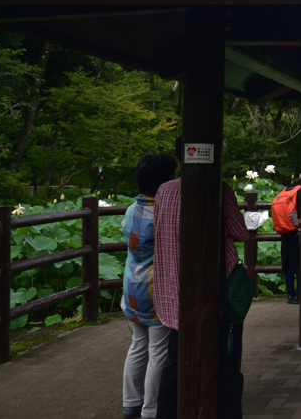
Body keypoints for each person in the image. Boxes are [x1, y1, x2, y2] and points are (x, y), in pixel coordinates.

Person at [153, 139, 249, 419]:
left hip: (174, 293)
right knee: (227, 365)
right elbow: (240, 232)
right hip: (216, 297)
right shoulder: (220, 190)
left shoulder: (164, 191)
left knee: (175, 363)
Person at [120, 152, 177, 419]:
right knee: (158, 352)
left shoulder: (132, 209)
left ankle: (131, 402)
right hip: (155, 290)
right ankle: (151, 410)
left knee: (137, 345)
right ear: (165, 180)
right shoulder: (162, 212)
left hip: (131, 286)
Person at [272, 179, 301, 304]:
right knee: (299, 264)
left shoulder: (285, 190)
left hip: (284, 231)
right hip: (297, 231)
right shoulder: (300, 191)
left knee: (288, 264)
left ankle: (290, 294)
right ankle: (299, 296)